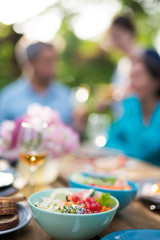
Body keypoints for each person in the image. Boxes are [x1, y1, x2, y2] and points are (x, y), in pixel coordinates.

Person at [104, 50, 160, 166]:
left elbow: (141, 151)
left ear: (157, 81)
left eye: (137, 77)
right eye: (131, 77)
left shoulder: (133, 107)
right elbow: (109, 143)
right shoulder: (133, 111)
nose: (131, 85)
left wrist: (131, 103)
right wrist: (130, 151)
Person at [0, 41, 72, 125]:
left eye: (55, 60)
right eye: (47, 61)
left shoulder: (66, 95)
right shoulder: (9, 97)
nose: (53, 66)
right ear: (31, 62)